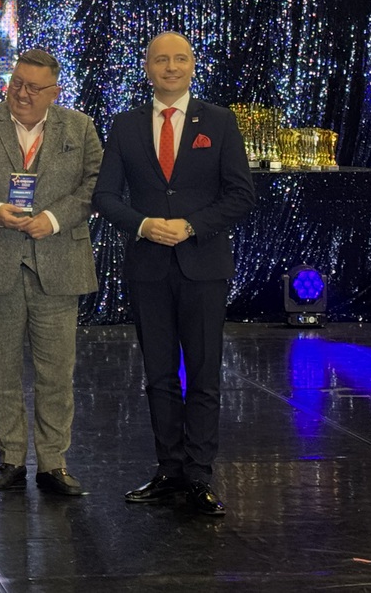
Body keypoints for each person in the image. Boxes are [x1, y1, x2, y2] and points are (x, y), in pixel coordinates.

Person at [91, 31, 255, 517]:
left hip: (203, 266)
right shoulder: (125, 125)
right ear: (147, 68)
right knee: (159, 375)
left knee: (203, 374)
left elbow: (241, 194)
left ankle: (199, 476)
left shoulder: (220, 122)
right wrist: (143, 225)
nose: (171, 67)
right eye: (161, 60)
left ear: (192, 65)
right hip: (148, 268)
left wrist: (192, 225)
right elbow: (104, 197)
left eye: (180, 59)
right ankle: (169, 470)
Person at [0, 49, 103, 496]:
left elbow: (96, 185)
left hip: (58, 263)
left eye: (33, 87)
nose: (22, 94)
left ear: (55, 92)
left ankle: (53, 462)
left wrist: (54, 218)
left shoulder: (80, 127)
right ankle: (10, 457)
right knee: (0, 369)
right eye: (16, 84)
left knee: (57, 373)